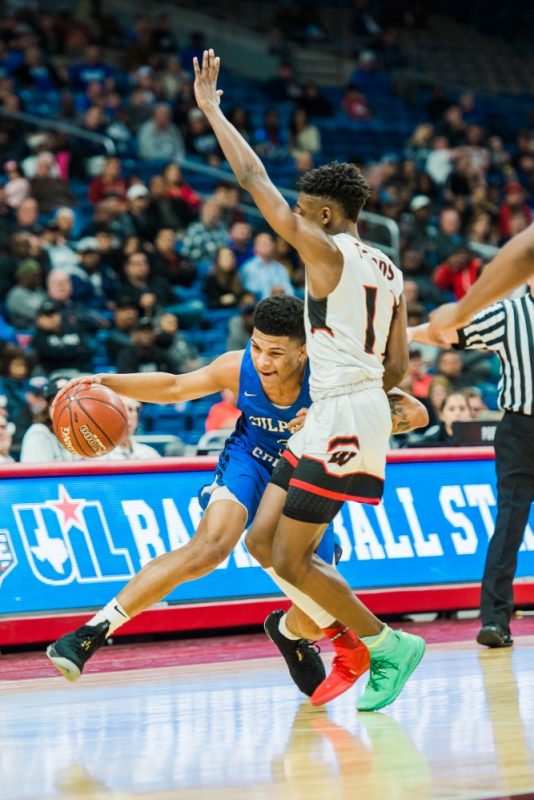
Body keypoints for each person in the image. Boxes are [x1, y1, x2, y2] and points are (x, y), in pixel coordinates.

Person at [191, 49, 425, 712]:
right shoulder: (390, 270)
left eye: (301, 208)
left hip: (345, 416)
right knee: (264, 543)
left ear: (323, 215)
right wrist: (374, 400)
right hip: (343, 410)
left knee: (291, 561)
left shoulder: (323, 251)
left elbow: (252, 175)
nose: (291, 214)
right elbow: (400, 369)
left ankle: (385, 644)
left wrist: (212, 110)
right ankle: (330, 632)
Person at [46, 296, 427, 692]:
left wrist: (329, 420)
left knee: (314, 617)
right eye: (258, 346)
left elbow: (416, 413)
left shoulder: (331, 377)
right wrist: (105, 381)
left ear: (304, 350)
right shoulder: (237, 366)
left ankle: (286, 631)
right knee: (209, 547)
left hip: (304, 470)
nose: (263, 361)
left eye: (276, 353)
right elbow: (176, 386)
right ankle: (89, 634)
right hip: (251, 459)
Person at [412, 278, 534, 645]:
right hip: (519, 428)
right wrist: (408, 331)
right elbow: (452, 334)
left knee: (509, 522)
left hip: (518, 428)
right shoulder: (509, 313)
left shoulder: (510, 314)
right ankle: (495, 620)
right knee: (509, 523)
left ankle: (496, 619)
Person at [429, 223, 534, 335]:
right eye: (457, 256)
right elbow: (438, 281)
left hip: (482, 309)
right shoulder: (451, 270)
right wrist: (448, 265)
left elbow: (524, 254)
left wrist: (458, 313)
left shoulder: (475, 264)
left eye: (462, 255)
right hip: (473, 311)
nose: (460, 259)